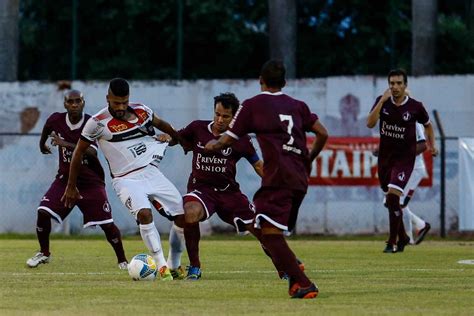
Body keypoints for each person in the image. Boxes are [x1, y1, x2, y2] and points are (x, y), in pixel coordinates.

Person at [204, 60, 328, 299]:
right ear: (284, 82)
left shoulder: (253, 104)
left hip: (278, 177)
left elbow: (227, 139)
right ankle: (293, 274)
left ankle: (302, 281)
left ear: (260, 80)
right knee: (271, 229)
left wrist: (213, 145)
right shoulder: (298, 105)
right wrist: (310, 157)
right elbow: (323, 133)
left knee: (268, 232)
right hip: (300, 179)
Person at [61, 78, 186, 280]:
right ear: (107, 98)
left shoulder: (142, 111)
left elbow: (164, 125)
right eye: (116, 102)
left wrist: (175, 139)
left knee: (183, 215)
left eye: (124, 102)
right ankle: (162, 267)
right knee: (144, 214)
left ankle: (174, 264)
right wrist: (71, 185)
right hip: (125, 180)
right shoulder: (97, 122)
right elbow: (78, 153)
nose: (120, 107)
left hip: (151, 172)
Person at [167, 92, 265, 280]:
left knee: (261, 229)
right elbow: (178, 138)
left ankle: (285, 267)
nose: (220, 119)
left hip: (230, 194)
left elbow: (259, 165)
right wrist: (167, 137)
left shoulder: (241, 138)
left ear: (234, 117)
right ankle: (194, 266)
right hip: (201, 190)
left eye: (225, 116)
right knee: (190, 212)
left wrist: (276, 183)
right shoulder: (198, 128)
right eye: (217, 114)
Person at [26, 90, 128, 269]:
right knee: (42, 212)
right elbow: (47, 129)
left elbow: (91, 152)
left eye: (78, 101)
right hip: (65, 180)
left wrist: (65, 144)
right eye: (70, 101)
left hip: (91, 182)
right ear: (65, 104)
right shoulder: (56, 120)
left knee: (107, 224)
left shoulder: (92, 123)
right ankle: (44, 253)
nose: (74, 104)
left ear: (83, 102)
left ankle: (123, 261)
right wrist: (42, 144)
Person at [367, 69, 437, 253]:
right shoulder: (383, 103)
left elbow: (428, 128)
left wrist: (432, 145)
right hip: (385, 161)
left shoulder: (415, 108)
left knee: (393, 198)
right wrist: (382, 101)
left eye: (399, 83)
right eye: (392, 83)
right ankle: (406, 235)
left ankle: (393, 241)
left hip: (406, 162)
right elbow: (369, 123)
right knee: (391, 201)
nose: (395, 87)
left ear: (405, 86)